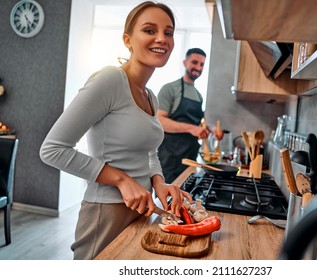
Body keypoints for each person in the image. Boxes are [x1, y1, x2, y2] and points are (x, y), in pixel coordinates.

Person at [39, 1, 192, 260]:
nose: (161, 39)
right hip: (106, 212)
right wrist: (121, 179)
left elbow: (150, 152)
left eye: (168, 33)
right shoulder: (110, 80)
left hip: (142, 208)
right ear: (128, 40)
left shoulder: (151, 96)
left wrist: (158, 181)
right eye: (149, 30)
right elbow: (52, 150)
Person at [157, 48, 212, 183]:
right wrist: (191, 129)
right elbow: (159, 121)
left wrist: (211, 130)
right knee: (167, 202)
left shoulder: (199, 95)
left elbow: (197, 125)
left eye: (202, 64)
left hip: (190, 158)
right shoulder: (169, 89)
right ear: (185, 62)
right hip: (170, 158)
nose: (198, 67)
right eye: (194, 62)